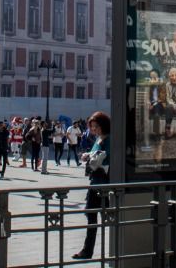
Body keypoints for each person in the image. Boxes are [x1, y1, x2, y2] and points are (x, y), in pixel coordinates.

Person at [72, 111, 111, 261]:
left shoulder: (109, 139)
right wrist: (88, 155)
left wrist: (92, 157)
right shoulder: (98, 139)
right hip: (95, 182)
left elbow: (106, 158)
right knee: (91, 215)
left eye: (96, 126)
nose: (94, 129)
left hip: (105, 183)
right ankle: (87, 250)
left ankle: (115, 248)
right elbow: (96, 155)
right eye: (92, 126)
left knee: (108, 216)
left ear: (103, 125)